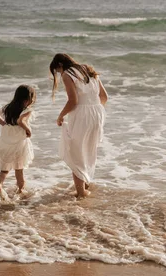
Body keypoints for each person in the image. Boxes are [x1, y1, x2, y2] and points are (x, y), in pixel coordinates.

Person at [49, 53, 108, 198]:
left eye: (57, 70)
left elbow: (73, 101)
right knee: (88, 150)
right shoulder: (88, 69)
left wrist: (61, 115)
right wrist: (94, 109)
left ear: (60, 65)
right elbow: (104, 97)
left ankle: (81, 194)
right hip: (97, 112)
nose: (59, 74)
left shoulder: (67, 74)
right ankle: (85, 184)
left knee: (76, 153)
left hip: (82, 114)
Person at [0, 85, 36, 200]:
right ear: (28, 99)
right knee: (19, 170)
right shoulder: (27, 110)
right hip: (19, 144)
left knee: (4, 170)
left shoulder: (7, 107)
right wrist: (28, 130)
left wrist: (4, 124)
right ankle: (21, 190)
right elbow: (21, 121)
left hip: (5, 142)